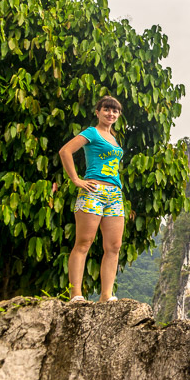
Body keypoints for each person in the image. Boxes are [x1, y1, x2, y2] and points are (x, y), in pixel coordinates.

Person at [57, 95, 125, 302]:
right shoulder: (91, 133)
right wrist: (76, 179)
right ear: (97, 112)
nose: (110, 113)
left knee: (113, 246)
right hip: (92, 191)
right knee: (84, 242)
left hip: (115, 195)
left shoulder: (114, 139)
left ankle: (106, 295)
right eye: (106, 109)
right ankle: (76, 294)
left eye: (115, 111)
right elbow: (65, 151)